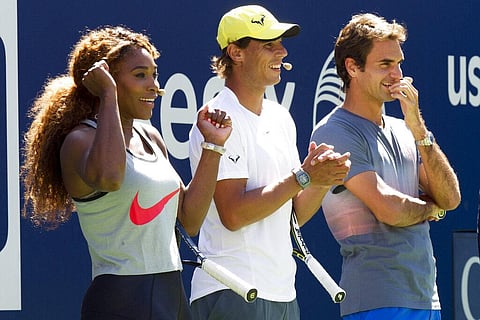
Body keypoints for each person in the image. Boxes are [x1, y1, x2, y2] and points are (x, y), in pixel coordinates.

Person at [21, 25, 232, 320]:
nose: (154, 85)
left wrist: (213, 146)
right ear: (104, 78)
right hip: (120, 302)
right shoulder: (80, 140)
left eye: (154, 74)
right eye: (140, 75)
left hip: (172, 298)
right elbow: (110, 177)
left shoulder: (151, 136)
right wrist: (108, 96)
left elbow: (190, 220)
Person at [188, 5, 351, 320]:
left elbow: (294, 216)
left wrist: (320, 180)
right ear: (236, 53)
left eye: (280, 43)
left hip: (283, 294)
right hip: (232, 292)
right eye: (269, 45)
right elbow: (233, 214)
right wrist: (303, 176)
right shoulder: (219, 118)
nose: (282, 51)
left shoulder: (281, 118)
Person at [310, 13, 461, 320]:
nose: (398, 75)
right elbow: (389, 210)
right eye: (385, 65)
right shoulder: (335, 131)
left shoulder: (405, 129)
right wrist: (429, 210)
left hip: (427, 299)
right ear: (353, 67)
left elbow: (451, 198)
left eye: (398, 63)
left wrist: (418, 129)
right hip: (375, 302)